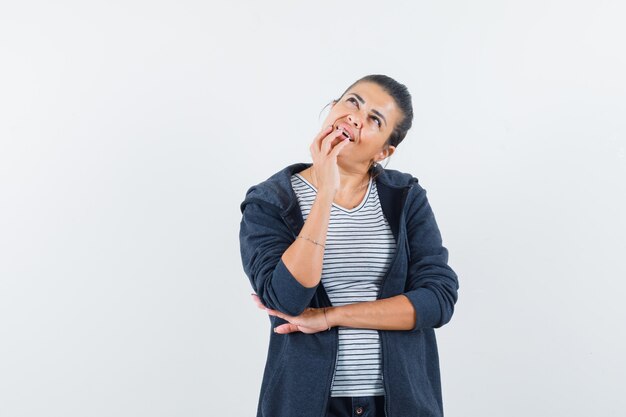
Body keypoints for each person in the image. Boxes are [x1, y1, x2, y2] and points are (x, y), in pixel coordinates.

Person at [239, 74, 459, 417]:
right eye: (352, 102)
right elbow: (287, 299)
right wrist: (326, 190)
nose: (356, 116)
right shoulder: (270, 201)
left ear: (385, 151)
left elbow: (438, 301)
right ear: (332, 108)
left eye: (375, 119)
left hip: (400, 403)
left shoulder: (405, 198)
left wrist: (331, 316)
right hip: (307, 404)